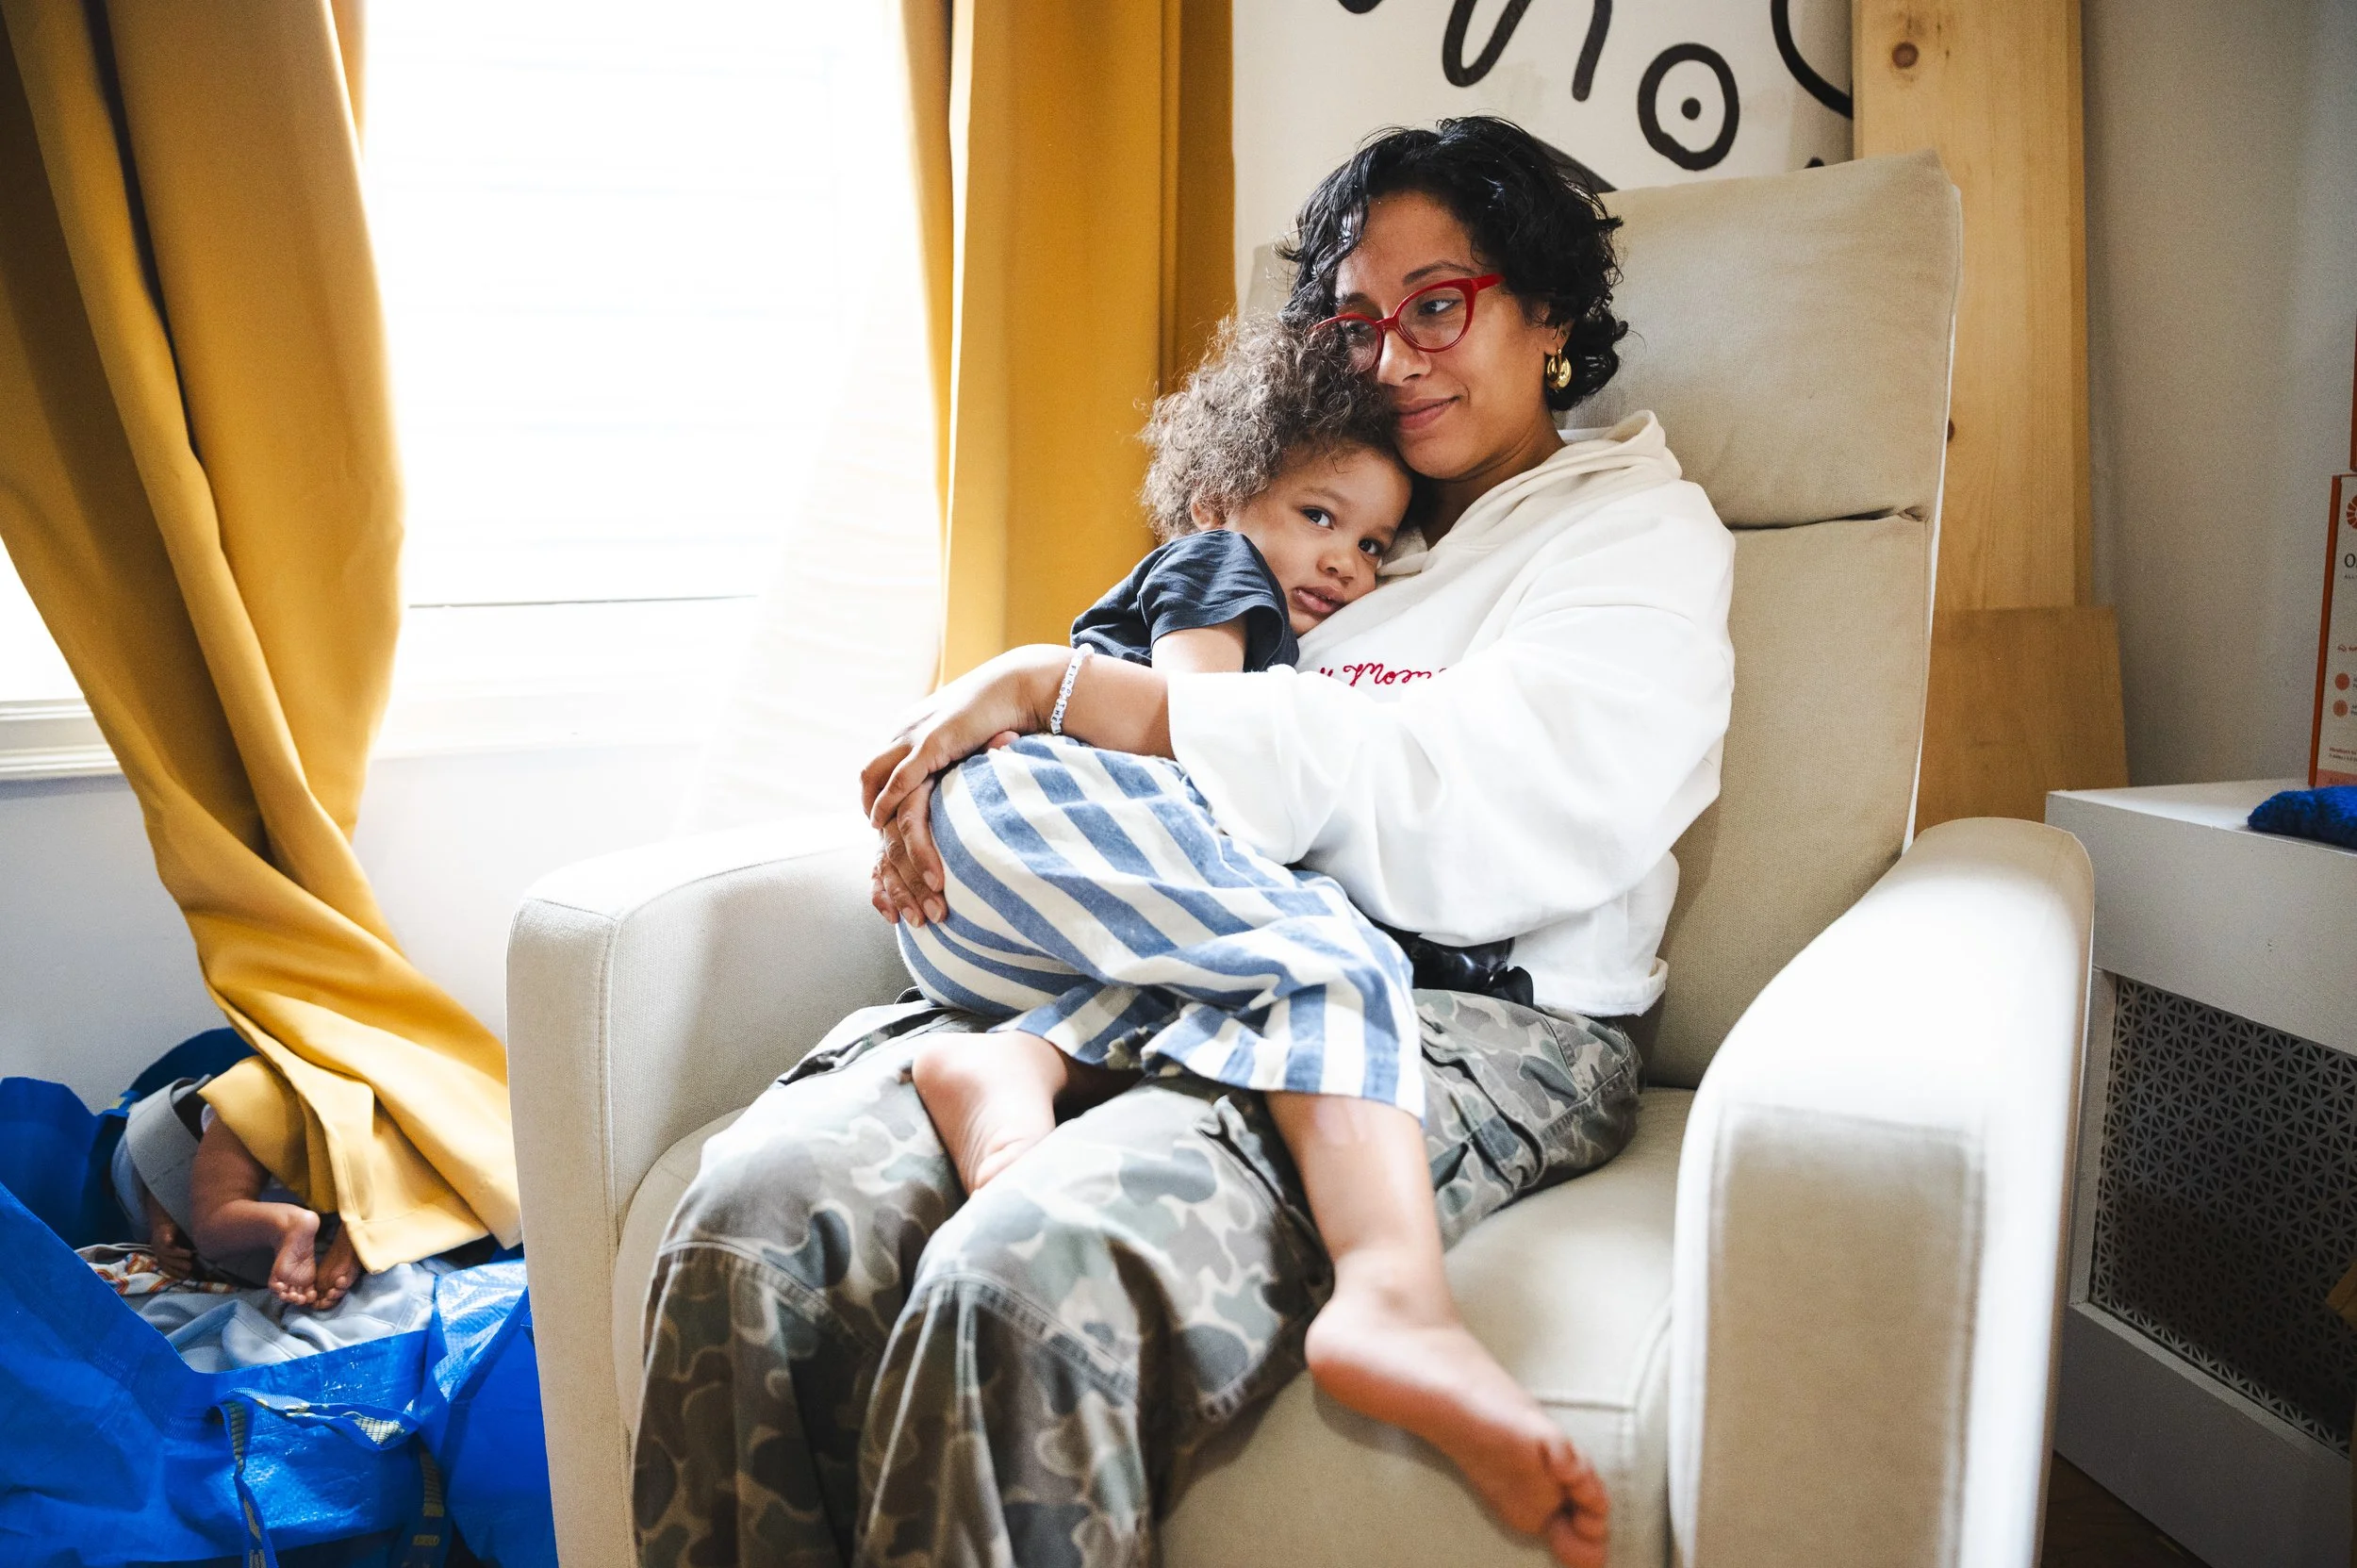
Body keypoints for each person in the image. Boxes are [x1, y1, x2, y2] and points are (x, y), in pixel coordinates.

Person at [635, 115, 1735, 1568]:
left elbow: (1501, 818)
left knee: (1021, 1279)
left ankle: (1378, 1289)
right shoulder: (1325, 516)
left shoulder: (1632, 537)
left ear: (1550, 315)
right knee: (754, 1225)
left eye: (1438, 305)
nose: (1394, 358)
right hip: (1166, 962)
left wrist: (1081, 695)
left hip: (1462, 1011)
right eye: (1356, 320)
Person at [901, 312, 1422, 1197]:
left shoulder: (1267, 608)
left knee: (1218, 977)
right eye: (1319, 516)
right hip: (1044, 815)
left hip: (991, 933)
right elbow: (1196, 719)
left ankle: (1020, 1058)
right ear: (1215, 501)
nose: (1346, 562)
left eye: (1372, 544)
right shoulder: (1220, 560)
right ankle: (1385, 1257)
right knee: (1337, 951)